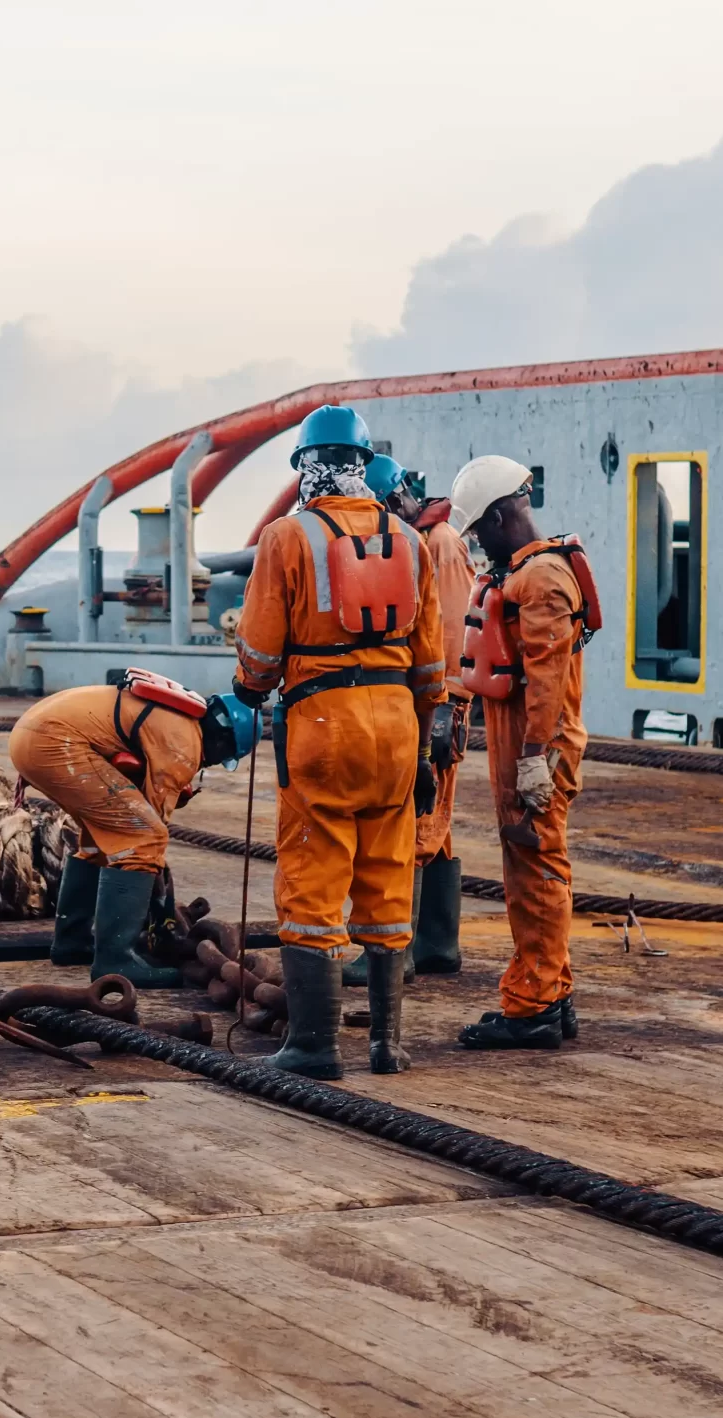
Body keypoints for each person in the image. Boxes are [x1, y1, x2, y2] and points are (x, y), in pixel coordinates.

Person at [233, 404, 449, 1077]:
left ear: (306, 467)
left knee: (313, 878)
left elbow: (261, 653)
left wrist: (247, 690)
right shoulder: (410, 541)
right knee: (386, 877)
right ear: (362, 465)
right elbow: (433, 664)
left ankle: (314, 1047)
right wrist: (416, 743)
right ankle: (388, 1044)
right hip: (397, 727)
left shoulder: (287, 537)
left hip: (323, 727)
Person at [445, 455, 590, 1050]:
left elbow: (549, 681)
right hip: (528, 747)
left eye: (480, 529)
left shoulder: (541, 581)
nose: (477, 542)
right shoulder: (525, 574)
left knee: (535, 869)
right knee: (532, 865)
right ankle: (551, 995)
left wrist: (534, 760)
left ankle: (533, 1007)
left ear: (504, 515)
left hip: (538, 752)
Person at [10, 674, 255, 987]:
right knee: (143, 837)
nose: (213, 763)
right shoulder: (185, 741)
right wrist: (157, 893)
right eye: (223, 758)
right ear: (224, 743)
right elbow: (153, 824)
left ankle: (72, 944)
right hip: (56, 743)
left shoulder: (177, 719)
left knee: (101, 841)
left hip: (32, 737)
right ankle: (116, 959)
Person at [383, 458, 472, 981]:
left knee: (418, 820)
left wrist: (439, 704)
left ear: (395, 502)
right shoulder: (419, 541)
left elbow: (453, 630)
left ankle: (403, 951)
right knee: (437, 825)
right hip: (432, 697)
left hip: (441, 701)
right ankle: (438, 947)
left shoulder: (438, 543)